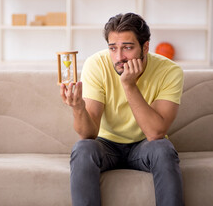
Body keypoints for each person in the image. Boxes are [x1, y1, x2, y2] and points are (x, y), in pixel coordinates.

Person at [60, 12, 184, 206]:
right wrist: (78, 108)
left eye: (127, 48)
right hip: (106, 145)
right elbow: (88, 133)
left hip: (145, 145)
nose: (119, 57)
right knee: (83, 148)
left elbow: (155, 132)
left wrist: (129, 85)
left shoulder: (170, 71)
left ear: (145, 47)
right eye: (113, 48)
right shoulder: (97, 64)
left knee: (163, 149)